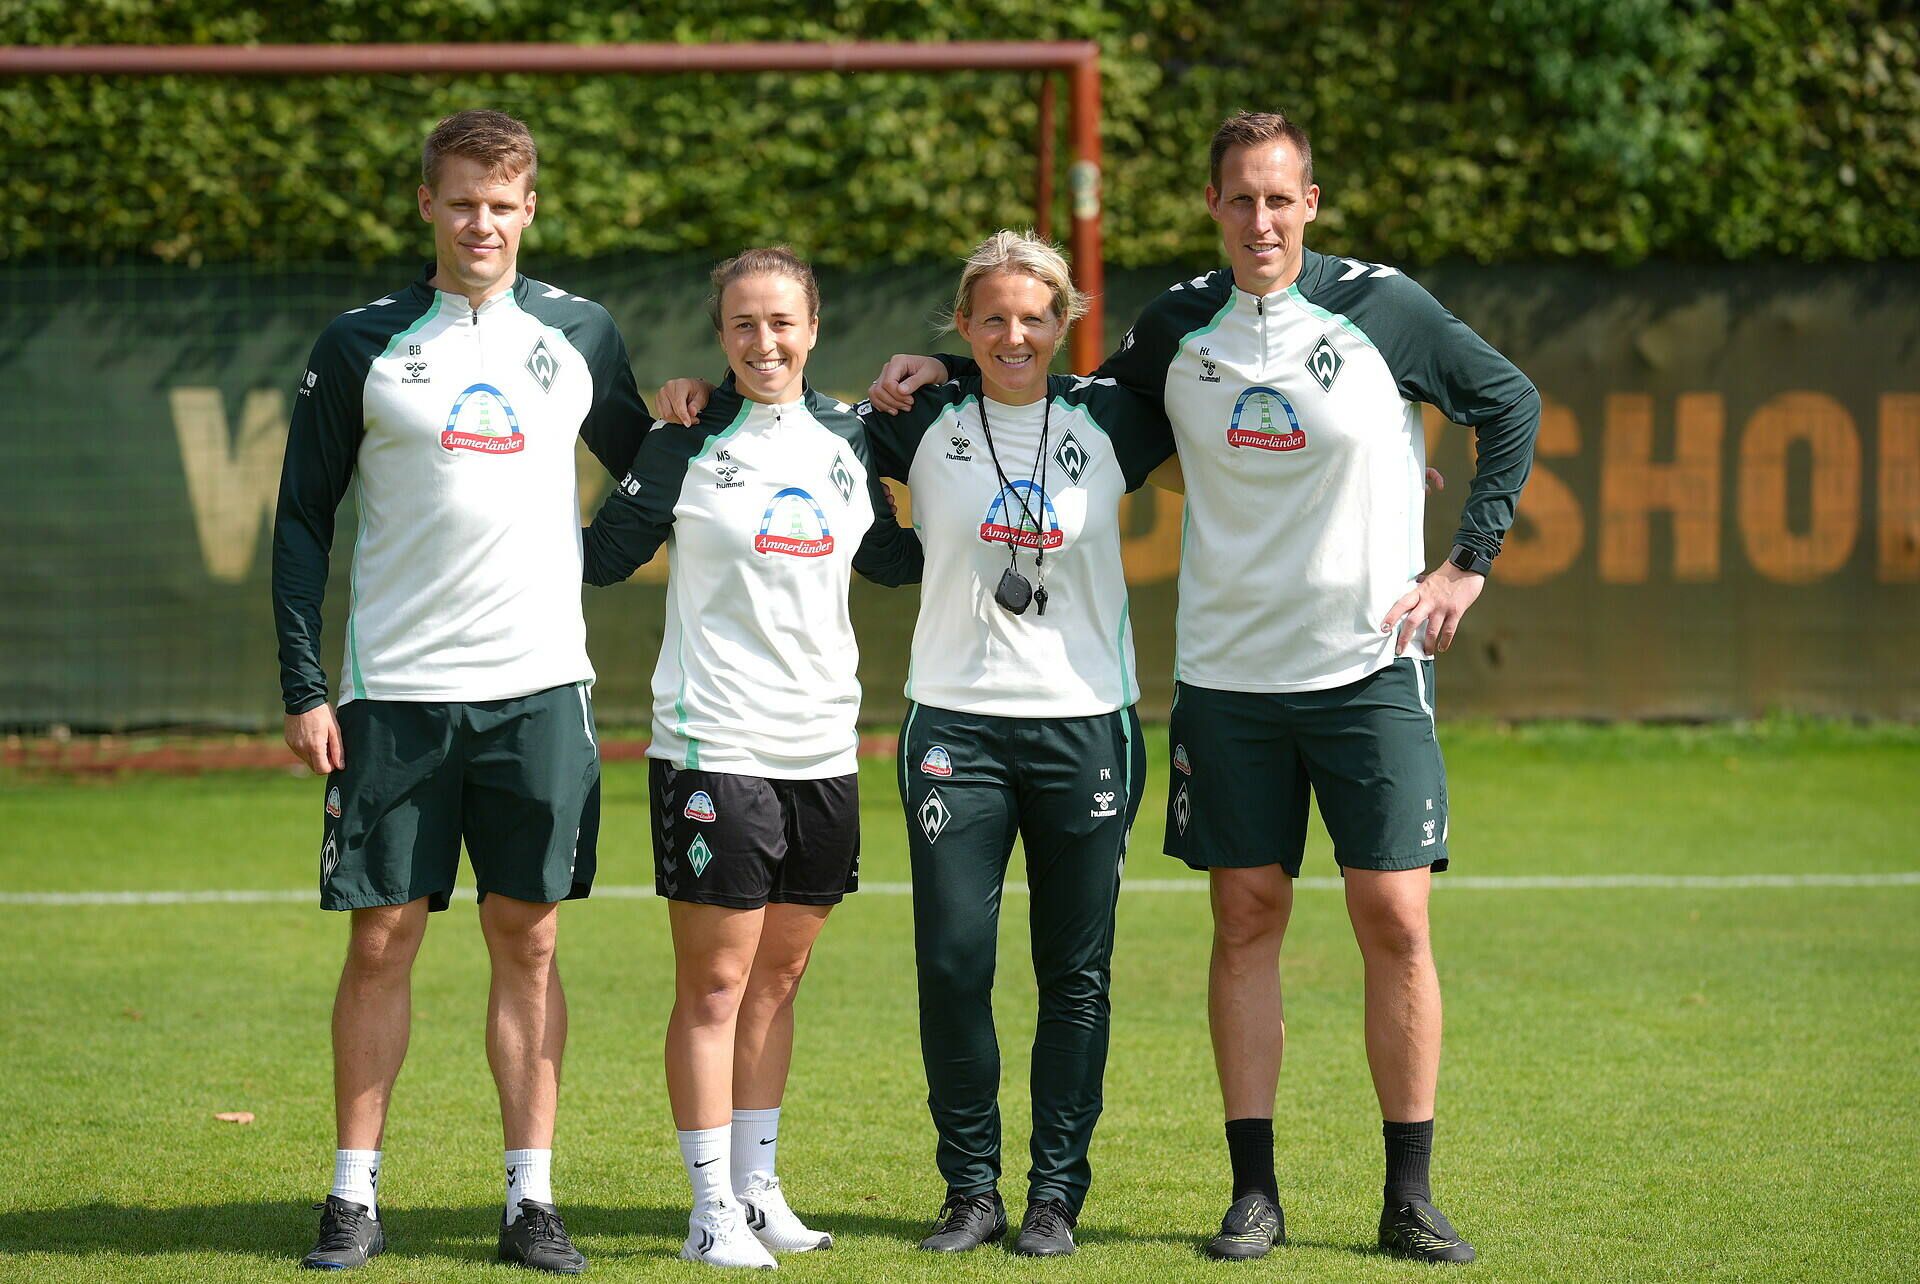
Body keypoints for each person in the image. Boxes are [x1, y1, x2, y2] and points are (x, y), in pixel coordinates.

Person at [868, 112, 1539, 1264]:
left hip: (1369, 665)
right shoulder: (1177, 324)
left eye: (1281, 199)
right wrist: (941, 369)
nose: (1262, 220)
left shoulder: (1387, 309)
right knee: (1245, 920)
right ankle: (1254, 1195)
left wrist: (1465, 563)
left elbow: (1509, 401)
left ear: (1311, 204)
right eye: (1241, 199)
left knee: (1395, 918)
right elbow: (1056, 398)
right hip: (1226, 678)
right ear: (1216, 208)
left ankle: (1410, 1194)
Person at [661, 230, 1174, 1258]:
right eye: (991, 318)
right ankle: (971, 1191)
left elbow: (1254, 452)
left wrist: (1391, 479)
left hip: (1087, 724)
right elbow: (790, 421)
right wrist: (694, 396)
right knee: (951, 964)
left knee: (1076, 973)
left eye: (1034, 317)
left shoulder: (1113, 416)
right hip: (954, 723)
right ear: (963, 326)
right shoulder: (918, 418)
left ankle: (1054, 1196)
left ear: (1064, 321)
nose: (1014, 335)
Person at [272, 109, 649, 1275]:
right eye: (461, 201)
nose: (482, 221)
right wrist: (304, 683)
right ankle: (352, 1197)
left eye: (503, 202)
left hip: (541, 693)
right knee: (382, 940)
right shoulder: (361, 344)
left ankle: (530, 1200)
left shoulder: (583, 333)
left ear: (530, 208)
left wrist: (594, 554)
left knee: (526, 941)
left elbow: (653, 466)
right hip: (395, 695)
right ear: (427, 207)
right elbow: (300, 518)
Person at [581, 247, 922, 1269]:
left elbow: (898, 562)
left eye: (782, 322)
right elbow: (604, 558)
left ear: (813, 329)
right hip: (712, 745)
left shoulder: (852, 440)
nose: (764, 341)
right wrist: (657, 441)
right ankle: (707, 1212)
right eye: (743, 325)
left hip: (823, 748)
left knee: (781, 978)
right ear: (720, 336)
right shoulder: (684, 437)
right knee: (717, 987)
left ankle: (757, 1187)